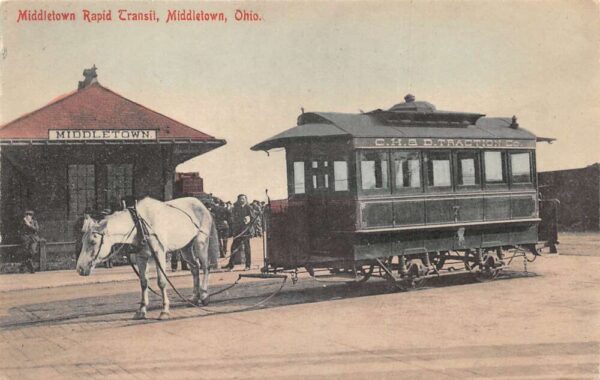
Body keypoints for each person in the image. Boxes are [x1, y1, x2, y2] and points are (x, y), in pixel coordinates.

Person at [223, 194, 254, 271]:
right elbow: (233, 218)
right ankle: (231, 265)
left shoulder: (248, 207)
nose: (242, 200)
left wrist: (249, 220)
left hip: (246, 231)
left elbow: (253, 218)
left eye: (243, 199)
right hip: (238, 231)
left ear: (246, 200)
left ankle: (248, 265)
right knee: (234, 247)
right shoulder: (236, 208)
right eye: (240, 199)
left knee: (247, 248)